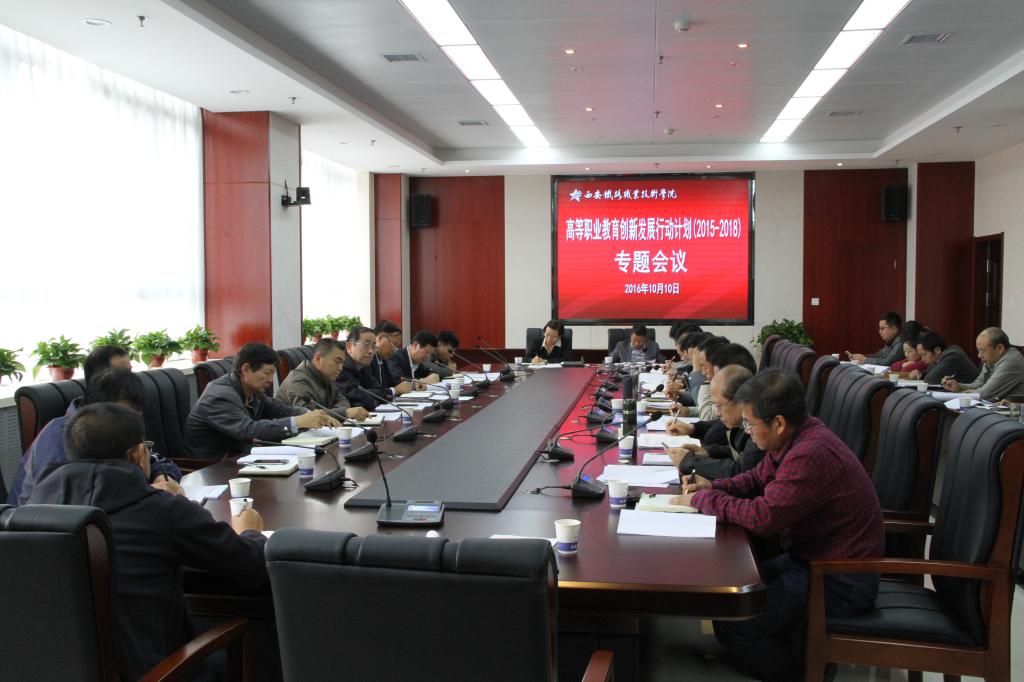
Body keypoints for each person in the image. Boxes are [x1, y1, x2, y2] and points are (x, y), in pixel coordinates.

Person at [28, 402, 268, 681]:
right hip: (156, 673)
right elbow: (251, 566)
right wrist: (250, 532)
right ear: (138, 454)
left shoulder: (31, 513)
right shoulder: (162, 509)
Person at [672, 369, 883, 682]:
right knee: (730, 596)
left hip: (838, 579)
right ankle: (792, 651)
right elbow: (755, 479)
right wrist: (714, 487)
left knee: (735, 622)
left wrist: (706, 501)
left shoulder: (810, 453)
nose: (747, 432)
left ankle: (805, 673)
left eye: (750, 424)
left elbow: (765, 518)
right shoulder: (795, 437)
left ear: (779, 422)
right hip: (810, 560)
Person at [8, 367, 182, 506]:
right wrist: (142, 495)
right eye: (121, 414)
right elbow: (67, 503)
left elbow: (153, 459)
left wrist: (161, 476)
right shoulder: (60, 438)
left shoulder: (119, 426)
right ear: (99, 407)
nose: (129, 421)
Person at [184, 342, 338, 459]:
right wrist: (298, 422)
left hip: (243, 457)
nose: (271, 380)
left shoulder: (252, 391)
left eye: (272, 374)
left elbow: (282, 410)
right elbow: (248, 430)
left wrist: (311, 414)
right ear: (245, 369)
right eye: (267, 373)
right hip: (214, 467)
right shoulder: (219, 396)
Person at [666, 366, 764, 480]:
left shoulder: (758, 430)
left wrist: (689, 461)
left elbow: (740, 473)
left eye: (719, 406)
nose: (717, 413)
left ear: (740, 402)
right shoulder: (740, 423)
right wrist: (707, 452)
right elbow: (738, 453)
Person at [277, 337, 369, 421]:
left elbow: (342, 400)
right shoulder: (299, 381)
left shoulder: (325, 375)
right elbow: (308, 415)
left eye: (342, 363)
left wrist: (335, 413)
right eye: (337, 362)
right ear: (318, 359)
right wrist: (344, 413)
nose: (341, 368)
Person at [944, 327, 1024, 401]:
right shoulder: (993, 359)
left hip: (1013, 411)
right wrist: (959, 387)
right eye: (978, 351)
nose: (979, 355)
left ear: (999, 348)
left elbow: (984, 395)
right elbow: (979, 384)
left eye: (983, 351)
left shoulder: (1012, 362)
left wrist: (959, 394)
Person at [337, 325, 394, 409]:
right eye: (366, 345)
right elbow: (356, 397)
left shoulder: (365, 366)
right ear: (349, 346)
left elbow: (381, 391)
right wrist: (372, 399)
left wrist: (371, 397)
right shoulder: (341, 367)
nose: (371, 351)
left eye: (373, 346)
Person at [913, 331, 979, 385]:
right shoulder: (937, 358)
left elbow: (930, 380)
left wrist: (924, 376)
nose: (922, 359)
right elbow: (929, 374)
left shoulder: (952, 356)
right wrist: (920, 374)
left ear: (937, 350)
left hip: (971, 393)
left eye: (924, 354)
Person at [369, 319, 412, 395]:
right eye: (394, 345)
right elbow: (371, 391)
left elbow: (392, 382)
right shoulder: (367, 360)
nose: (394, 350)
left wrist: (411, 384)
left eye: (397, 347)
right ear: (380, 338)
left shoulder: (383, 361)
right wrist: (394, 390)